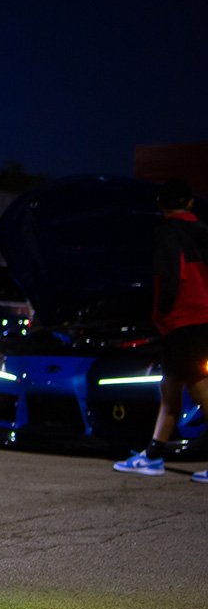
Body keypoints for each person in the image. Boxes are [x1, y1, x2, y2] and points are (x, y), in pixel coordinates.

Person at [114, 178, 208, 482]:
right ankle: (153, 456)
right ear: (191, 203)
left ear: (160, 204)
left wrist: (162, 313)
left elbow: (169, 276)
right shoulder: (203, 231)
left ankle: (153, 456)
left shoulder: (167, 231)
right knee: (170, 387)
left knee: (198, 387)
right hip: (200, 318)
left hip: (182, 321)